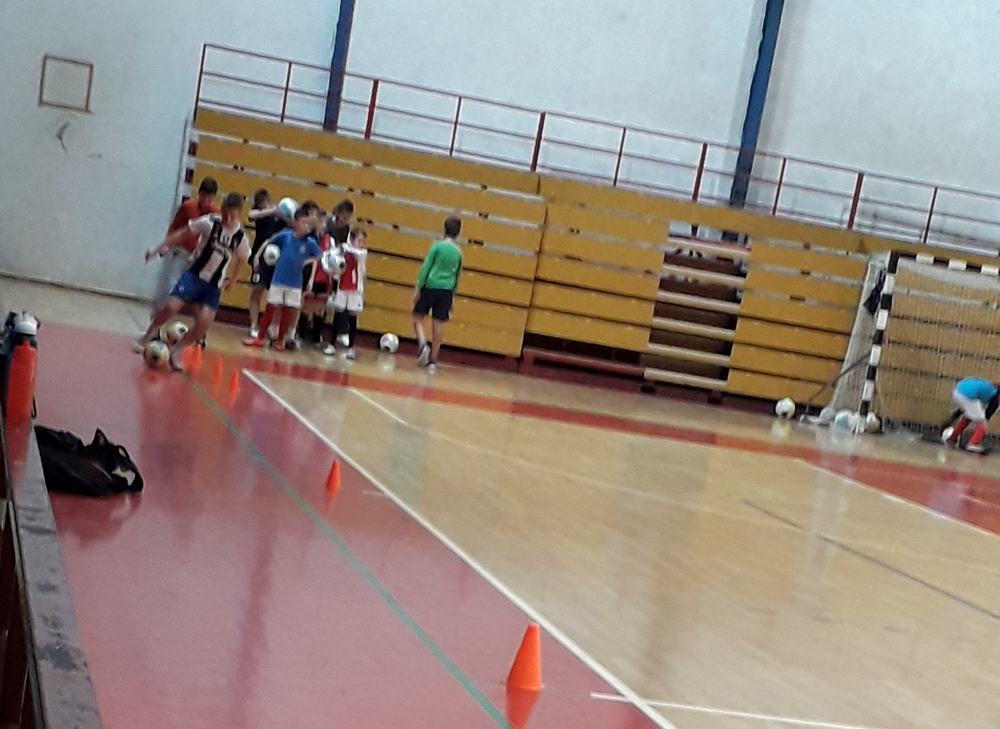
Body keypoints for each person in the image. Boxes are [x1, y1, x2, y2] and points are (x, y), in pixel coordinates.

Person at [137, 193, 248, 371]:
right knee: (171, 306)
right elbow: (184, 233)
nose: (227, 219)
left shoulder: (241, 236)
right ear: (222, 209)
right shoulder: (210, 222)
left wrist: (233, 280)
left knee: (204, 323)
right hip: (194, 275)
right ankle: (148, 335)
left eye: (232, 216)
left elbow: (241, 259)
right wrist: (160, 247)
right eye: (225, 214)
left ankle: (178, 350)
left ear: (239, 214)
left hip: (213, 285)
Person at [242, 207, 322, 352]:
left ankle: (281, 340)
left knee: (288, 311)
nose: (307, 227)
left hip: (295, 283)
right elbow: (269, 241)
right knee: (270, 308)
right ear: (296, 222)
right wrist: (258, 255)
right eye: (304, 223)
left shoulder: (310, 242)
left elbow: (320, 256)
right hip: (279, 279)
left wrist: (307, 261)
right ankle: (260, 337)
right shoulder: (285, 235)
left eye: (309, 224)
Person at [152, 177, 219, 314]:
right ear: (199, 193)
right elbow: (175, 227)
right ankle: (158, 316)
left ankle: (198, 325)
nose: (206, 200)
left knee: (198, 295)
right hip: (182, 252)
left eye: (209, 198)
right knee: (170, 286)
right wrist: (166, 245)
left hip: (200, 259)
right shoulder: (188, 207)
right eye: (203, 196)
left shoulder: (217, 215)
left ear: (214, 197)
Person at [412, 216, 463, 372]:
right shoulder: (458, 252)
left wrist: (418, 288)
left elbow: (426, 267)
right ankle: (433, 361)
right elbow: (457, 276)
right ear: (458, 233)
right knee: (438, 324)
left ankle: (422, 344)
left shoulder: (437, 247)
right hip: (446, 290)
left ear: (444, 229)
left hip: (431, 286)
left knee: (417, 318)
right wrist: (453, 296)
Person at [246, 188, 287, 339]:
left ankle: (271, 326)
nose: (264, 205)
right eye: (261, 203)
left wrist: (280, 213)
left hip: (276, 258)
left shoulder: (278, 216)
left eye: (265, 202)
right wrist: (270, 211)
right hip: (259, 256)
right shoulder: (260, 214)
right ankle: (253, 325)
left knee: (275, 295)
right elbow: (251, 215)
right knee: (257, 290)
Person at [324, 227, 368, 360]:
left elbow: (356, 253)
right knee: (338, 316)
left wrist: (344, 247)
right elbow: (329, 256)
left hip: (355, 290)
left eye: (363, 241)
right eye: (359, 240)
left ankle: (351, 347)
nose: (361, 244)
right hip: (342, 287)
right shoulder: (343, 250)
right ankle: (331, 345)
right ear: (352, 239)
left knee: (352, 319)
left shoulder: (362, 253)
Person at [942, 377, 999, 453]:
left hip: (957, 392)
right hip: (969, 396)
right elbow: (987, 415)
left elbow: (967, 410)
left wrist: (953, 418)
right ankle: (973, 444)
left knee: (968, 417)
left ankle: (952, 439)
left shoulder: (989, 390)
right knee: (983, 422)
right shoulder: (995, 398)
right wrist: (982, 422)